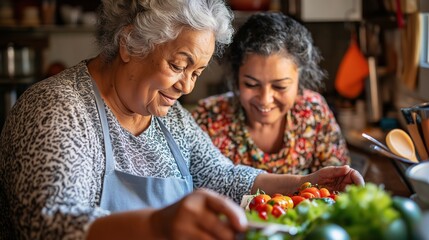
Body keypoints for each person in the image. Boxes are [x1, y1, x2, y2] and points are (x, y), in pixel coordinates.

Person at [0, 1, 364, 239]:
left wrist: (301, 183)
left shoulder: (166, 115)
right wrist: (157, 225)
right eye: (178, 65)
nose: (186, 86)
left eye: (197, 72)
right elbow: (48, 225)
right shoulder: (57, 108)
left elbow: (221, 176)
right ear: (129, 43)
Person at [192, 12, 350, 175]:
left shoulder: (313, 112)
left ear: (300, 79)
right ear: (236, 76)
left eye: (280, 86)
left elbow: (337, 180)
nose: (265, 99)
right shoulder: (209, 118)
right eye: (251, 84)